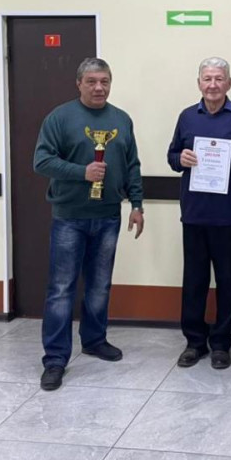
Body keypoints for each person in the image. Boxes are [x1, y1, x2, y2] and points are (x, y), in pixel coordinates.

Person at [33, 57, 144, 391]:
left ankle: (94, 340)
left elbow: (132, 164)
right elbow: (41, 161)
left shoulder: (121, 120)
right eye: (92, 81)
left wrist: (137, 204)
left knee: (100, 285)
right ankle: (55, 359)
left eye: (105, 81)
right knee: (61, 289)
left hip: (109, 215)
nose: (99, 88)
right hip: (69, 217)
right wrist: (82, 172)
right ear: (79, 83)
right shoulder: (59, 117)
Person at [167, 57, 231, 370]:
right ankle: (195, 342)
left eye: (219, 78)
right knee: (193, 282)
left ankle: (221, 343)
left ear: (229, 83)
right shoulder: (186, 117)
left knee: (226, 282)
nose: (213, 84)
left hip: (230, 218)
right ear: (199, 83)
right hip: (194, 215)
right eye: (207, 78)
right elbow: (172, 156)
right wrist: (180, 158)